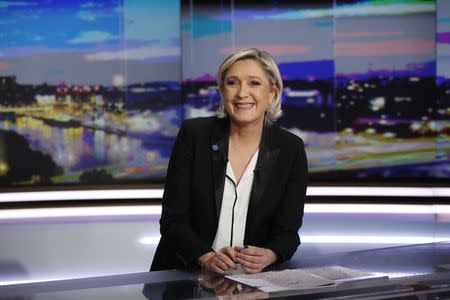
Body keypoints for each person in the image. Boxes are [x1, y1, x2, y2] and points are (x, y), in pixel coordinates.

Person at [151, 48, 308, 275]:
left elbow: (288, 233)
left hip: (252, 283)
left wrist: (271, 254)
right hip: (185, 275)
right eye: (232, 83)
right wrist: (206, 257)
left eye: (254, 83)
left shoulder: (290, 149)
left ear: (272, 93)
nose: (242, 93)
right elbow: (173, 220)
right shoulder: (194, 135)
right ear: (222, 91)